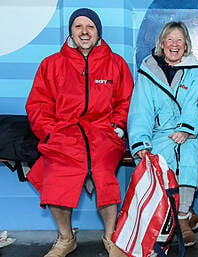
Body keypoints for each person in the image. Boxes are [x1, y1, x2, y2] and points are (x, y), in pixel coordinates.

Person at [25, 8, 133, 257]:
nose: (84, 32)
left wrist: (117, 128)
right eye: (78, 26)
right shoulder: (51, 64)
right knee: (56, 176)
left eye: (90, 27)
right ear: (71, 32)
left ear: (98, 32)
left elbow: (127, 102)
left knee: (103, 174)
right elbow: (38, 105)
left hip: (103, 133)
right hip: (63, 133)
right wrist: (50, 133)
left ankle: (110, 236)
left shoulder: (116, 63)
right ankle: (66, 238)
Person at [127, 21, 198, 247]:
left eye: (179, 40)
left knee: (191, 155)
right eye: (170, 40)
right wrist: (141, 141)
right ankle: (170, 215)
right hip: (159, 132)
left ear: (186, 45)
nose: (174, 44)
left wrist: (186, 128)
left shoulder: (197, 71)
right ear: (162, 44)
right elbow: (140, 108)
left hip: (191, 131)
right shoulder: (148, 70)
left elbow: (196, 103)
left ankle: (181, 217)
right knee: (160, 158)